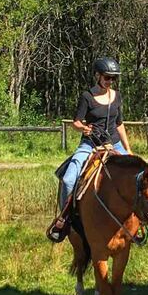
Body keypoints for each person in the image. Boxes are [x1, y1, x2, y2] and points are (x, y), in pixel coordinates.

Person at [46, 57, 132, 243]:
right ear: (98, 76)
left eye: (113, 78)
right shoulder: (87, 96)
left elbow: (119, 124)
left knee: (139, 176)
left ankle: (139, 222)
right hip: (90, 144)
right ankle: (65, 219)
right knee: (69, 179)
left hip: (113, 143)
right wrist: (82, 128)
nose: (110, 81)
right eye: (107, 77)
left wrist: (128, 149)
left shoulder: (117, 96)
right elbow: (76, 121)